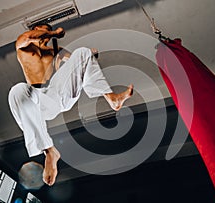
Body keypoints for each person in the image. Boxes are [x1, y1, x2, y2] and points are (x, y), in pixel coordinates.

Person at [8, 23, 133, 186]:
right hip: (38, 101)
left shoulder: (54, 50)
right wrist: (53, 33)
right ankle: (49, 150)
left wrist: (90, 57)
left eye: (48, 30)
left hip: (58, 94)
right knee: (17, 91)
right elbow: (30, 37)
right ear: (37, 28)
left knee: (82, 52)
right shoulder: (23, 44)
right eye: (44, 29)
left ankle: (112, 98)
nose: (46, 33)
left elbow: (74, 59)